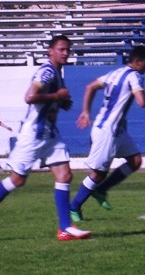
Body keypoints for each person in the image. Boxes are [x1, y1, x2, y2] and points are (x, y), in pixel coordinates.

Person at [0, 35, 91, 241]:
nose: (65, 53)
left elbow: (48, 100)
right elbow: (30, 97)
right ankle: (65, 227)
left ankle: (65, 228)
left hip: (49, 134)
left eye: (68, 50)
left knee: (65, 175)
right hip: (33, 134)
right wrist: (56, 97)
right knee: (16, 180)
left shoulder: (58, 72)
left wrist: (60, 103)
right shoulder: (47, 71)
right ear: (50, 51)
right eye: (61, 49)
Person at [69, 45, 145, 223]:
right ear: (138, 62)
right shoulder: (134, 76)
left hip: (116, 129)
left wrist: (86, 111)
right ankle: (74, 206)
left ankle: (101, 190)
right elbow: (141, 101)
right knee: (98, 173)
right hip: (107, 131)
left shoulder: (114, 73)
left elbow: (90, 86)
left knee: (135, 160)